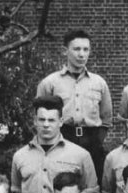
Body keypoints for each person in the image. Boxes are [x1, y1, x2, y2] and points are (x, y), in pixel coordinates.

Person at [36, 29, 112, 185]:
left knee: (93, 184)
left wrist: (97, 140)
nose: (81, 54)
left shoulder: (99, 83)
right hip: (63, 137)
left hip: (91, 140)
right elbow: (39, 116)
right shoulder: (50, 83)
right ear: (65, 51)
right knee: (61, 183)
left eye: (86, 49)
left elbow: (106, 118)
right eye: (76, 49)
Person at [11, 96, 98, 193]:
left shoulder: (81, 155)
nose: (46, 125)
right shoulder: (20, 156)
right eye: (41, 119)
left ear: (61, 121)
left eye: (51, 120)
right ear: (35, 121)